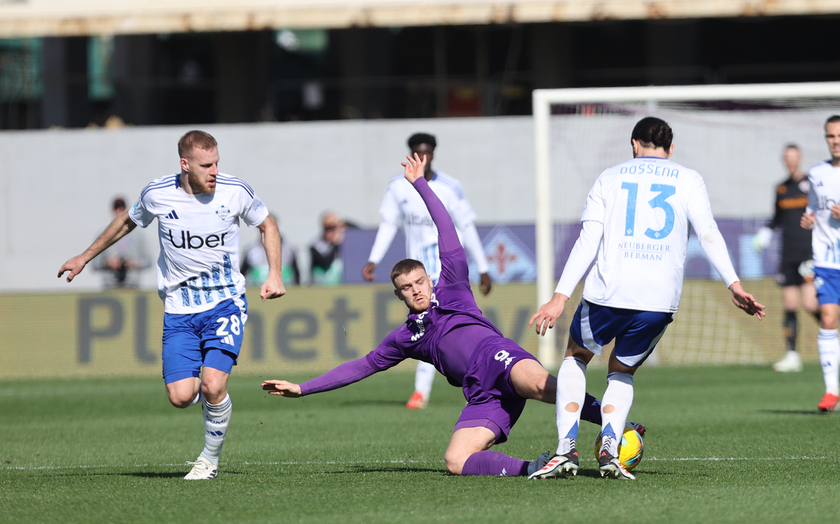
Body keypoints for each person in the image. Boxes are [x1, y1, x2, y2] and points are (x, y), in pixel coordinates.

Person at [262, 152, 621, 477]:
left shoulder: (453, 289)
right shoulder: (406, 337)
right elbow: (362, 366)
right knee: (456, 461)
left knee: (547, 387)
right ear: (398, 294)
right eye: (407, 287)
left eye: (420, 281)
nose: (416, 290)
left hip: (499, 359)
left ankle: (617, 426)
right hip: (482, 394)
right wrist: (302, 388)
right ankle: (538, 466)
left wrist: (419, 184)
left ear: (430, 280)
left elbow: (446, 227)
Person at [528, 117, 765, 481]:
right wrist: (733, 284)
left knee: (576, 357)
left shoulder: (609, 177)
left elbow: (589, 239)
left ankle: (564, 451)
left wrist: (560, 296)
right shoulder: (688, 178)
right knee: (622, 372)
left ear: (633, 143)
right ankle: (610, 447)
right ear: (670, 149)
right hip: (657, 301)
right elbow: (708, 232)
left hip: (608, 292)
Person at [58, 130, 286, 480]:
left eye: (217, 163)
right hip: (179, 309)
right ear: (184, 164)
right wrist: (85, 257)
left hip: (226, 302)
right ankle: (213, 401)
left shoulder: (235, 191)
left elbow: (267, 225)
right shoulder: (158, 194)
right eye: (206, 165)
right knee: (181, 397)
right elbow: (126, 222)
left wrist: (274, 274)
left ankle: (208, 460)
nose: (214, 171)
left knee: (212, 385)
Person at [363, 132, 492, 410]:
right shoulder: (398, 187)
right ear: (411, 153)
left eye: (427, 152)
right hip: (416, 277)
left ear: (433, 153)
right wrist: (374, 259)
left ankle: (432, 388)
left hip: (445, 275)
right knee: (425, 330)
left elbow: (465, 227)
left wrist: (483, 268)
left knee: (445, 329)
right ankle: (426, 390)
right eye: (418, 152)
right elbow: (389, 224)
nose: (423, 157)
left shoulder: (450, 186)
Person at [752, 145, 820, 372]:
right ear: (784, 160)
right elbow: (777, 218)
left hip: (808, 253)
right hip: (788, 254)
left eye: (794, 157)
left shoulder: (812, 184)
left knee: (810, 302)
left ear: (800, 158)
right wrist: (765, 233)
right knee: (790, 304)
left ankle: (831, 337)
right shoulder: (781, 188)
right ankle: (792, 355)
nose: (791, 162)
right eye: (787, 158)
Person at [801, 115, 840, 412]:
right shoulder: (816, 173)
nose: (835, 141)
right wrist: (808, 217)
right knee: (827, 318)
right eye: (830, 136)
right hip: (827, 259)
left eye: (839, 136)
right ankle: (831, 390)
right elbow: (812, 206)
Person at [94, 197, 152, 288]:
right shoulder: (103, 235)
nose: (119, 211)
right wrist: (108, 263)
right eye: (116, 208)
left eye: (122, 208)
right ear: (112, 210)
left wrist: (134, 264)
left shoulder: (138, 235)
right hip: (110, 285)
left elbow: (149, 262)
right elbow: (95, 264)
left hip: (132, 285)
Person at [242, 215, 300, 286]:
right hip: (257, 289)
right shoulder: (251, 249)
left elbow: (296, 273)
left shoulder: (289, 249)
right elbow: (243, 272)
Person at [310, 211, 346, 286]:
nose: (331, 231)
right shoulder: (316, 244)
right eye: (327, 227)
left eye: (333, 227)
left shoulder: (344, 243)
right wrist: (335, 244)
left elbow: (358, 229)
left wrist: (341, 222)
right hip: (321, 287)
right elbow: (326, 262)